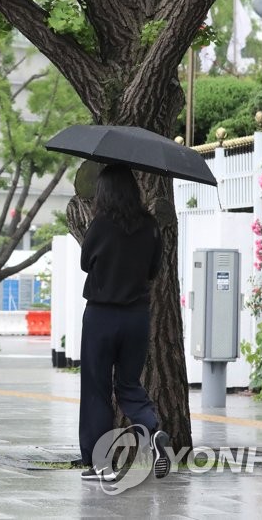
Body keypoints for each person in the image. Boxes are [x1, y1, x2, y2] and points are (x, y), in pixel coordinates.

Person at [77, 164, 171, 481]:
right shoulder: (150, 226)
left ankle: (100, 462)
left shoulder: (100, 225)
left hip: (101, 316)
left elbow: (84, 262)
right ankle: (151, 428)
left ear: (104, 193)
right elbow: (153, 269)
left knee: (96, 389)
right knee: (129, 384)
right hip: (136, 317)